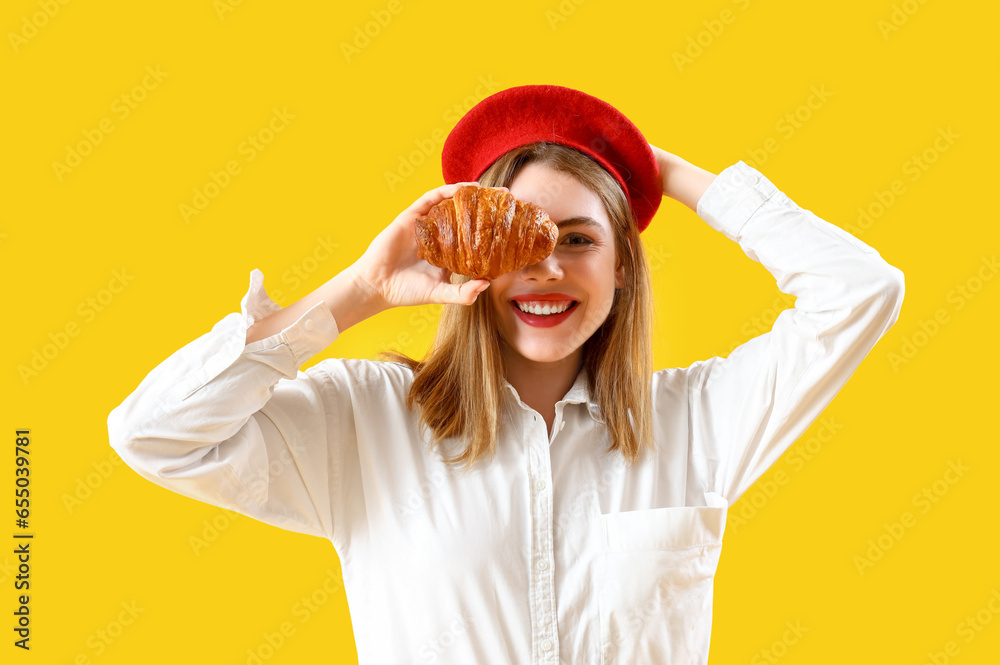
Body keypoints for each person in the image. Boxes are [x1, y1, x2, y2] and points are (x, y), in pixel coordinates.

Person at [107, 84, 905, 664]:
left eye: (580, 239)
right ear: (471, 257)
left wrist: (658, 169)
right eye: (521, 244)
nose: (546, 270)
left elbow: (861, 290)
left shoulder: (697, 422)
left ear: (624, 263)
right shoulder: (368, 422)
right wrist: (357, 292)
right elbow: (154, 433)